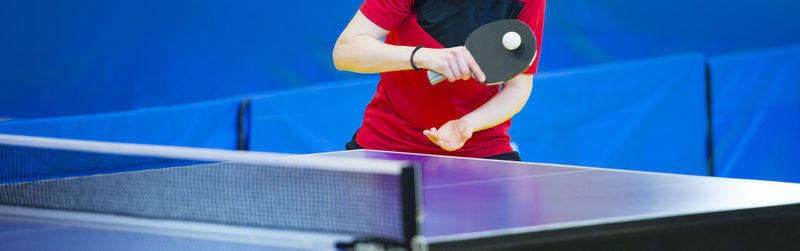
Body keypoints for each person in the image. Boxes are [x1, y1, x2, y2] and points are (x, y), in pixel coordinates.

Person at [333, 0, 545, 161]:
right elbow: (345, 52)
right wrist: (425, 57)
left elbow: (517, 88)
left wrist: (467, 124)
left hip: (480, 149)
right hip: (388, 144)